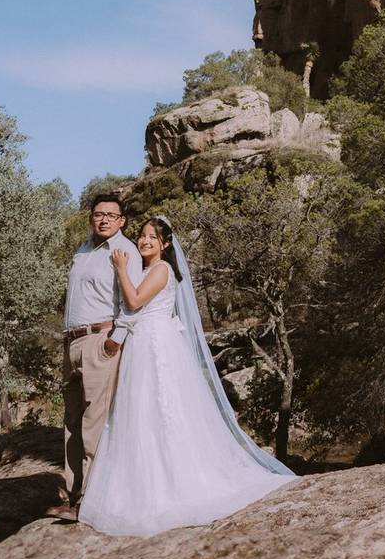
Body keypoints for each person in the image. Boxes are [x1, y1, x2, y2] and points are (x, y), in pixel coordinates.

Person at [73, 216, 295, 536]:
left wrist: (120, 268)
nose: (145, 241)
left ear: (165, 244)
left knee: (164, 408)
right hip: (141, 345)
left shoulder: (161, 269)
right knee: (141, 413)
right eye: (142, 236)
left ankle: (177, 481)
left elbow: (134, 301)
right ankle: (146, 481)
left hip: (156, 346)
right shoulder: (147, 270)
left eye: (152, 237)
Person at [46, 194, 142, 520]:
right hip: (72, 342)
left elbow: (132, 301)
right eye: (98, 214)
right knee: (71, 422)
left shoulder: (125, 251)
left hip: (101, 341)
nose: (103, 220)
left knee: (94, 423)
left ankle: (92, 501)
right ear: (91, 217)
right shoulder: (83, 251)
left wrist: (115, 340)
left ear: (122, 221)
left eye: (111, 215)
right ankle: (73, 497)